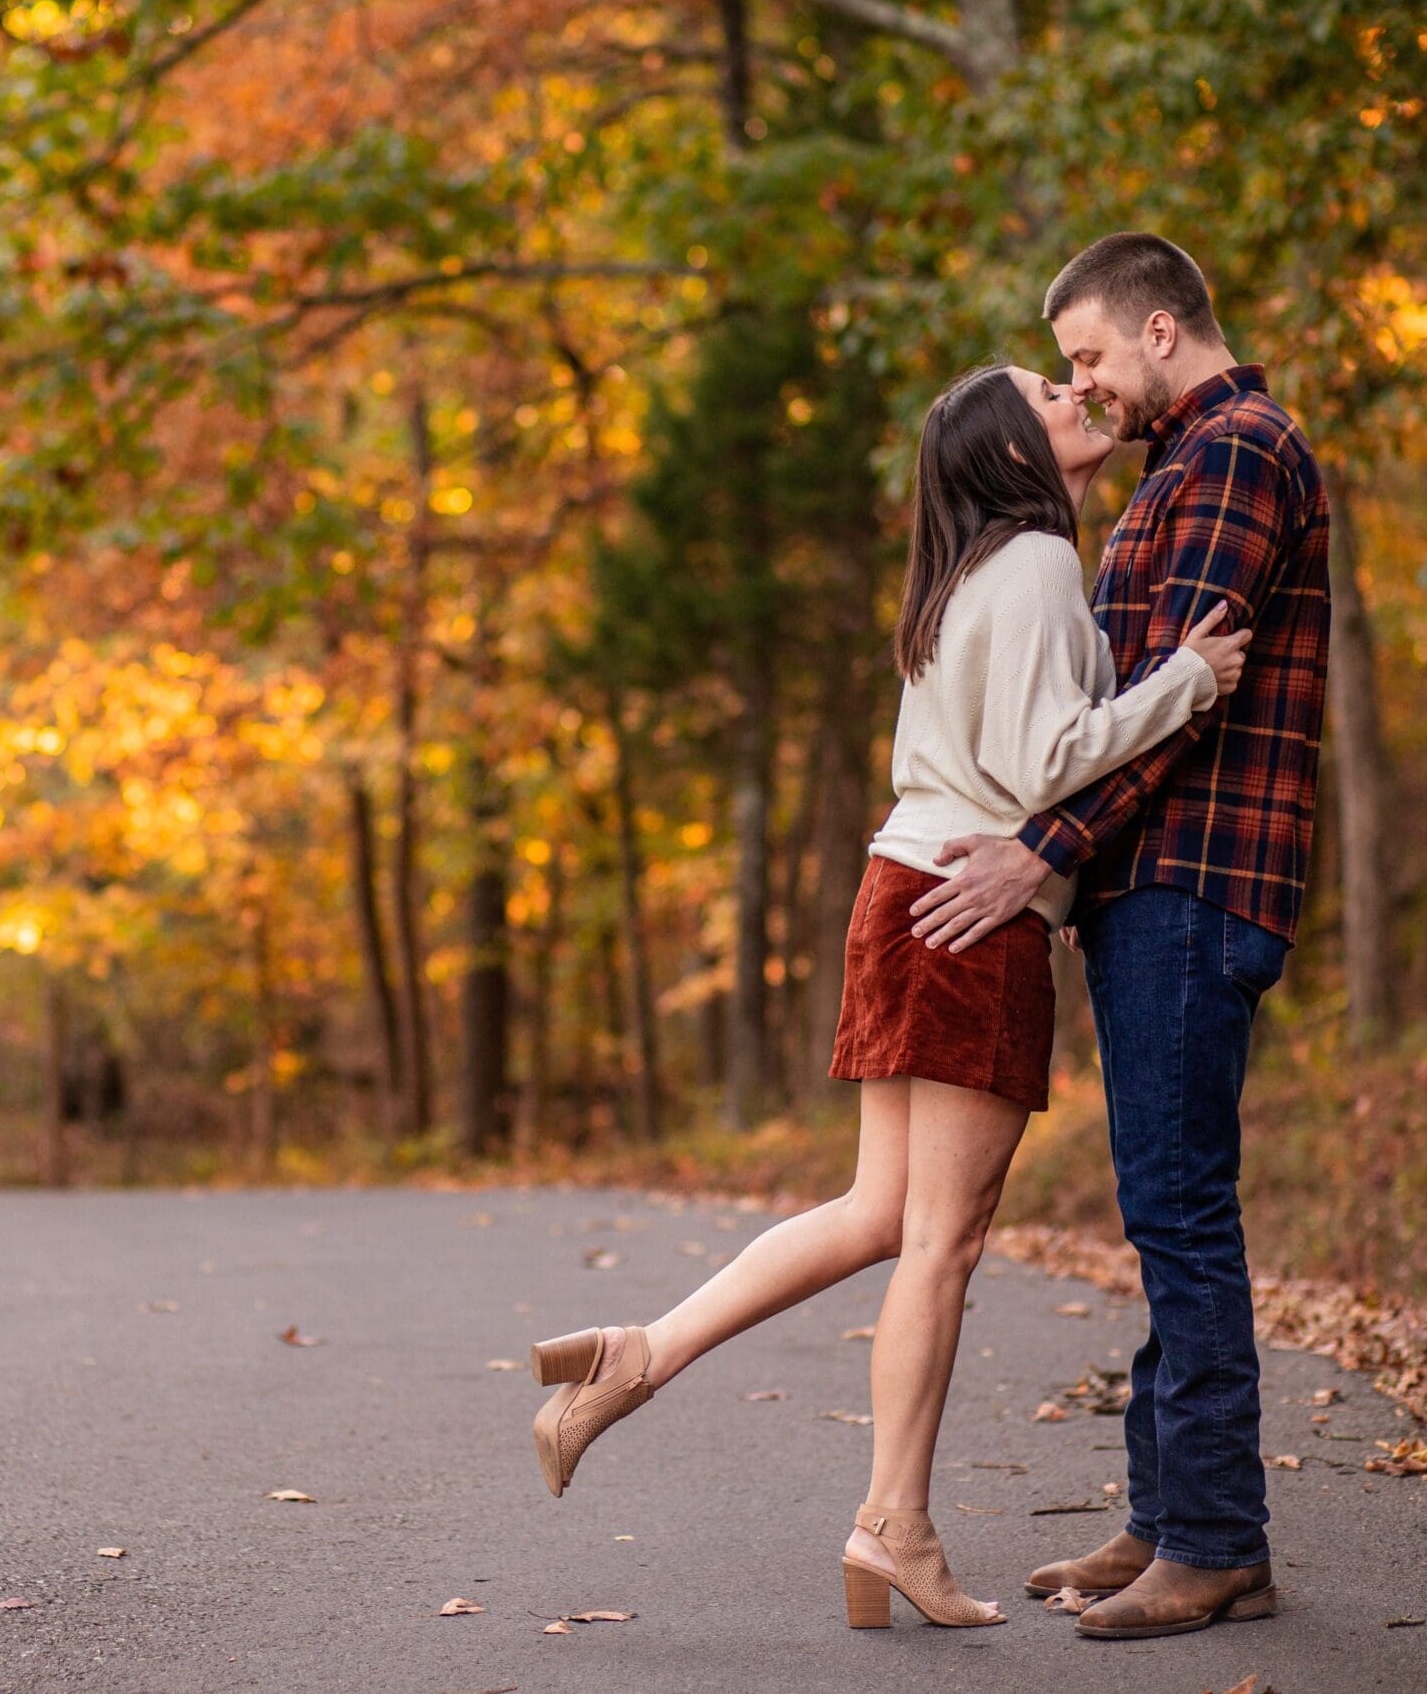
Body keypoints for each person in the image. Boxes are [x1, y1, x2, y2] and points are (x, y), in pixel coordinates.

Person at [526, 354, 1252, 1630]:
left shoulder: (967, 577)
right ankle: (892, 1526)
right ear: (1009, 452)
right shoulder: (1029, 562)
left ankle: (637, 1357)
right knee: (938, 1241)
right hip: (969, 913)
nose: (1074, 395)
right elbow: (1042, 763)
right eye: (1047, 392)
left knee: (878, 1214)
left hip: (900, 893)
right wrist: (1186, 683)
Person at [907, 232, 1331, 1640]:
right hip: (1147, 884)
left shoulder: (1237, 454)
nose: (1082, 382)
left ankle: (1215, 1539)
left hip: (1195, 882)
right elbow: (1121, 703)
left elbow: (1181, 699)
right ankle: (1167, 1514)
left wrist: (1041, 849)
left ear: (1162, 329)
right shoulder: (1176, 470)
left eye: (1087, 355)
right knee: (1163, 1206)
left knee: (1182, 1211)